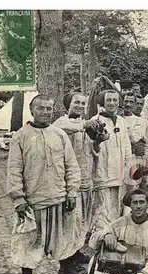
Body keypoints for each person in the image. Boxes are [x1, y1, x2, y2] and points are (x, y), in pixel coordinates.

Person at [7, 95, 85, 274]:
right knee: (28, 241)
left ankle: (66, 270)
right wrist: (18, 199)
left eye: (49, 109)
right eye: (40, 108)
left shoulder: (59, 134)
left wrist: (71, 192)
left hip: (59, 197)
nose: (45, 112)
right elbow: (14, 170)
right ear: (32, 110)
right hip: (33, 202)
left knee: (64, 238)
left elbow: (71, 166)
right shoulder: (20, 136)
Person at [53, 92, 106, 248]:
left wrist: (98, 141)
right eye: (76, 102)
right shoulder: (61, 122)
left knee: (84, 218)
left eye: (83, 104)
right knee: (71, 219)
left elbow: (92, 152)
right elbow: (61, 129)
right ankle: (68, 255)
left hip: (85, 178)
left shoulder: (86, 125)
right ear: (68, 104)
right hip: (68, 181)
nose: (80, 106)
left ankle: (77, 250)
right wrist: (85, 125)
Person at [90, 90, 132, 232]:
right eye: (109, 100)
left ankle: (114, 232)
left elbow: (126, 145)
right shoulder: (96, 121)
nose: (112, 103)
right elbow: (92, 147)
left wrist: (128, 166)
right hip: (103, 170)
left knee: (116, 204)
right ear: (103, 102)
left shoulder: (121, 121)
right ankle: (101, 234)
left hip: (119, 171)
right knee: (102, 206)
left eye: (115, 100)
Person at [124, 93, 148, 166]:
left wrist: (147, 161)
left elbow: (147, 142)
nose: (128, 104)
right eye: (126, 102)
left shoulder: (142, 121)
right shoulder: (118, 118)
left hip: (135, 158)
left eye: (131, 102)